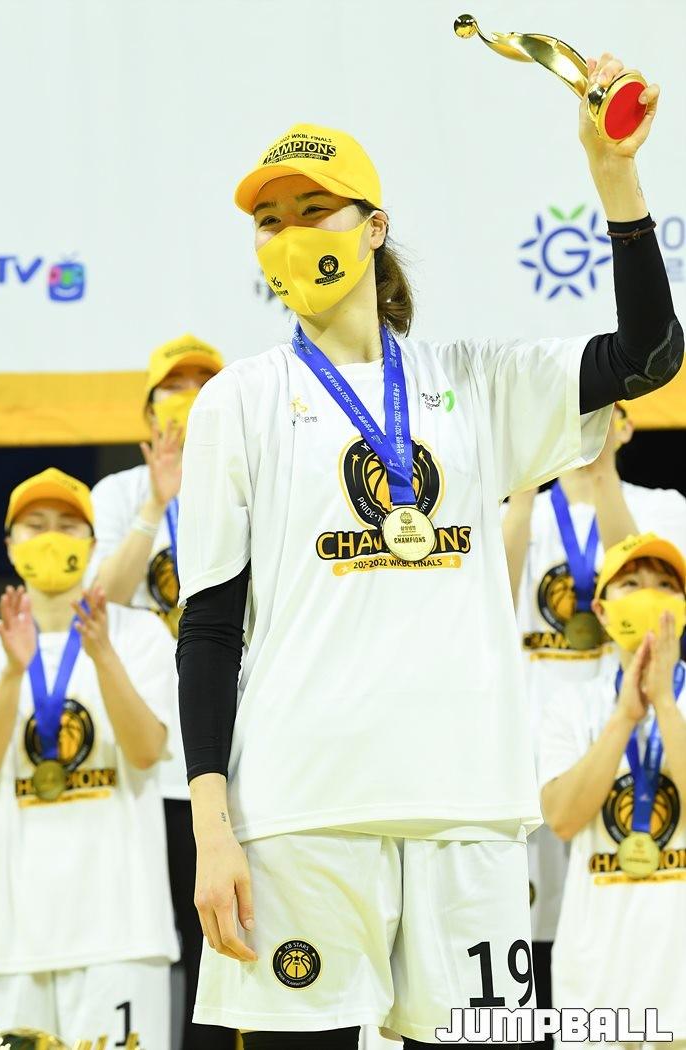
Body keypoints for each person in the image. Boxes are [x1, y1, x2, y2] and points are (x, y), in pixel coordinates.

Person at [176, 54, 683, 1049]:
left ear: (373, 227)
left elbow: (648, 355)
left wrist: (614, 175)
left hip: (468, 811)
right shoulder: (236, 402)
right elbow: (208, 630)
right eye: (268, 220)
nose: (289, 234)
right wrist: (211, 829)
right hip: (300, 815)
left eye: (313, 209)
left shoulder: (475, 385)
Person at [502, 402, 686, 1013]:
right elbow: (493, 611)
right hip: (532, 751)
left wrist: (602, 471)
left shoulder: (662, 507)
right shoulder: (518, 511)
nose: (588, 423)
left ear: (628, 426)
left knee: (609, 912)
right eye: (575, 412)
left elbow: (638, 586)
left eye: (607, 413)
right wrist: (523, 483)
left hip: (620, 726)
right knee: (527, 936)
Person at [0, 468, 178, 1046]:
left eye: (67, 526)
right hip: (12, 939)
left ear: (93, 545)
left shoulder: (140, 633)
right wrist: (13, 673)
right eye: (36, 525)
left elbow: (146, 752)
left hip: (121, 931)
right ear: (10, 546)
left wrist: (102, 654)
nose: (51, 537)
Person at [88, 334, 233, 1050]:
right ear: (149, 415)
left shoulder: (245, 482)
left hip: (231, 747)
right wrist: (157, 503)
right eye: (175, 390)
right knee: (164, 934)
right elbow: (100, 603)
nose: (190, 402)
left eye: (205, 388)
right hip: (150, 764)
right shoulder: (116, 494)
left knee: (227, 936)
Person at [540, 533, 686, 1047]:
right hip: (595, 985)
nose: (650, 593)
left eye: (666, 584)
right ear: (600, 611)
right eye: (632, 583)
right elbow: (561, 818)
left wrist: (665, 705)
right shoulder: (569, 706)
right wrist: (624, 717)